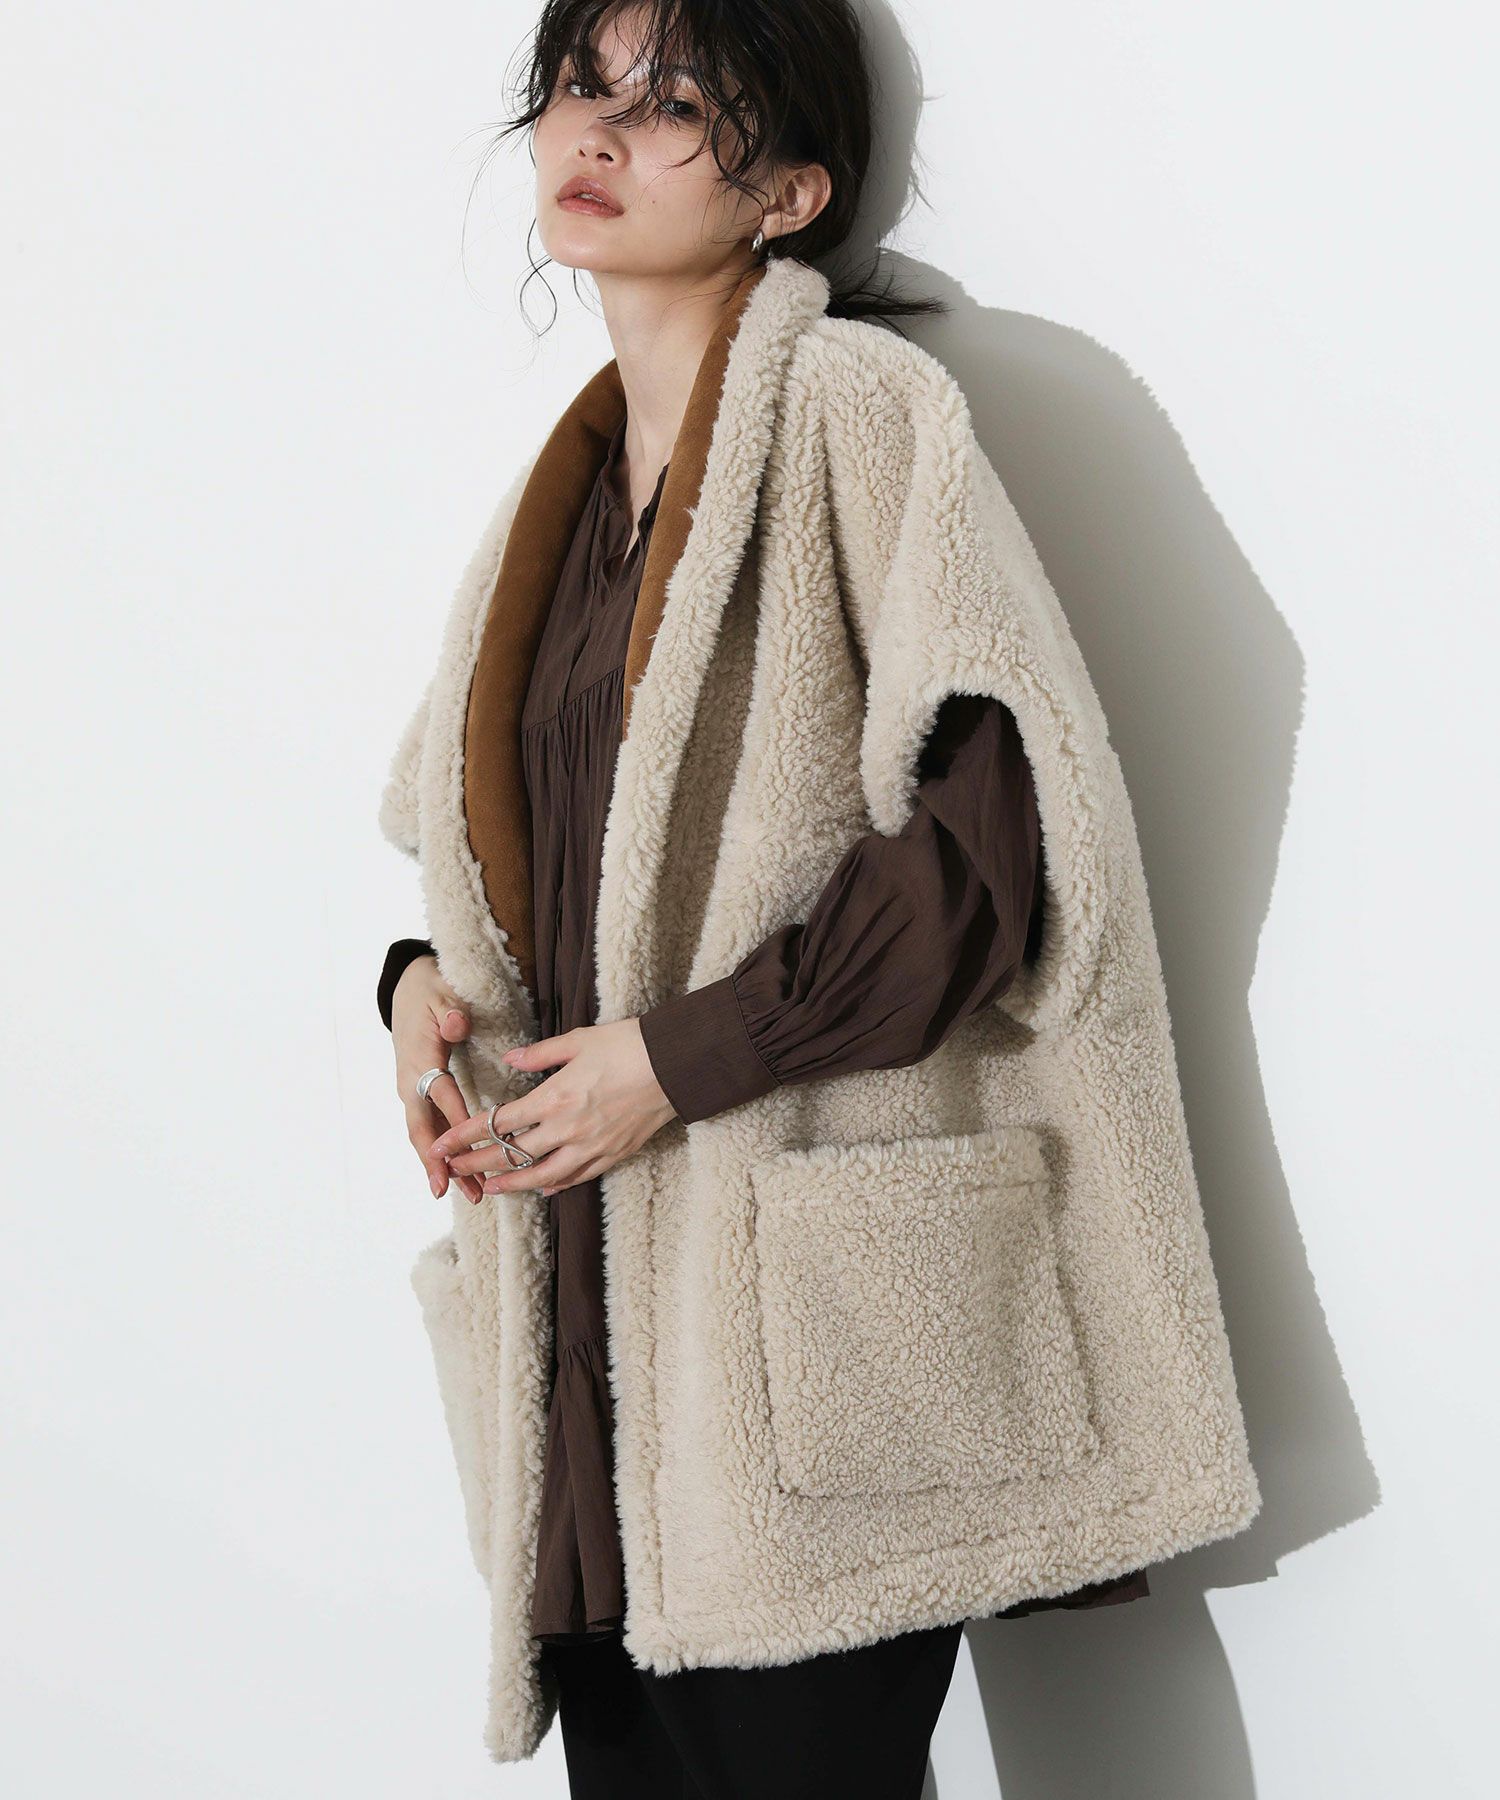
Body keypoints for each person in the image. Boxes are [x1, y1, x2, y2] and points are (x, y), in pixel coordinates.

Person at [376, 0, 1259, 1788]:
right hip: (593, 1354)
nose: (596, 134)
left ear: (789, 193)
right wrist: (413, 994)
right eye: (576, 89)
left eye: (673, 104)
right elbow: (482, 861)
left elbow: (994, 850)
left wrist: (675, 1060)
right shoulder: (555, 509)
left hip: (807, 1345)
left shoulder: (864, 416)